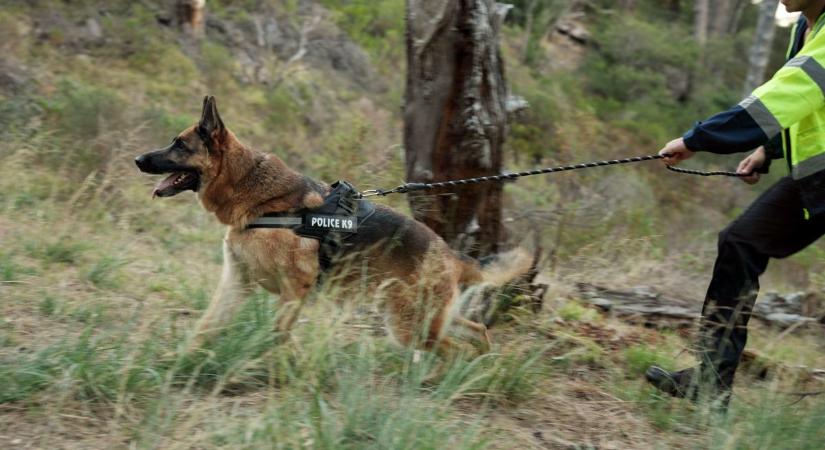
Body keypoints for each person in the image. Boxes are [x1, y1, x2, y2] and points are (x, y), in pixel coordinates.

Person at [645, 0, 825, 405]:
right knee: (739, 242)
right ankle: (711, 384)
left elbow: (781, 97)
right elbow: (807, 106)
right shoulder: (805, 27)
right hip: (817, 180)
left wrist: (698, 139)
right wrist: (768, 150)